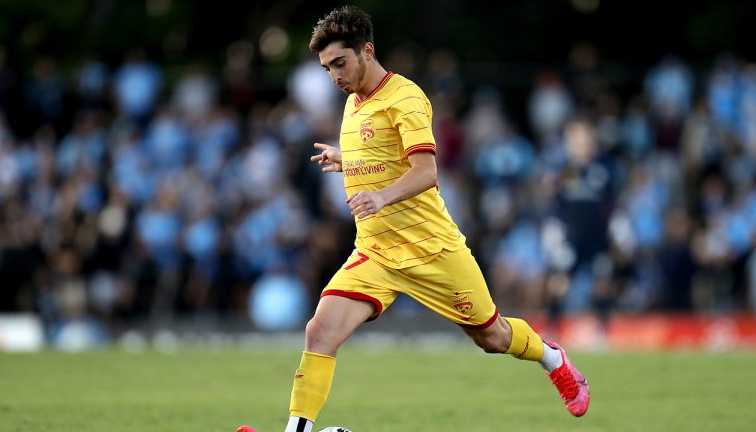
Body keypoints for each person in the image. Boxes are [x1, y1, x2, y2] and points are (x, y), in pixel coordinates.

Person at [238, 6, 589, 432]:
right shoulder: (353, 103)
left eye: (339, 63)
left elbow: (426, 171)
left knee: (491, 337)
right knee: (319, 331)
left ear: (367, 51)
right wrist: (346, 159)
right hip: (376, 251)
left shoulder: (405, 97)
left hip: (431, 249)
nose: (334, 76)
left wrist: (381, 197)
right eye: (327, 67)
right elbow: (382, 156)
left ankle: (553, 358)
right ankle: (297, 430)